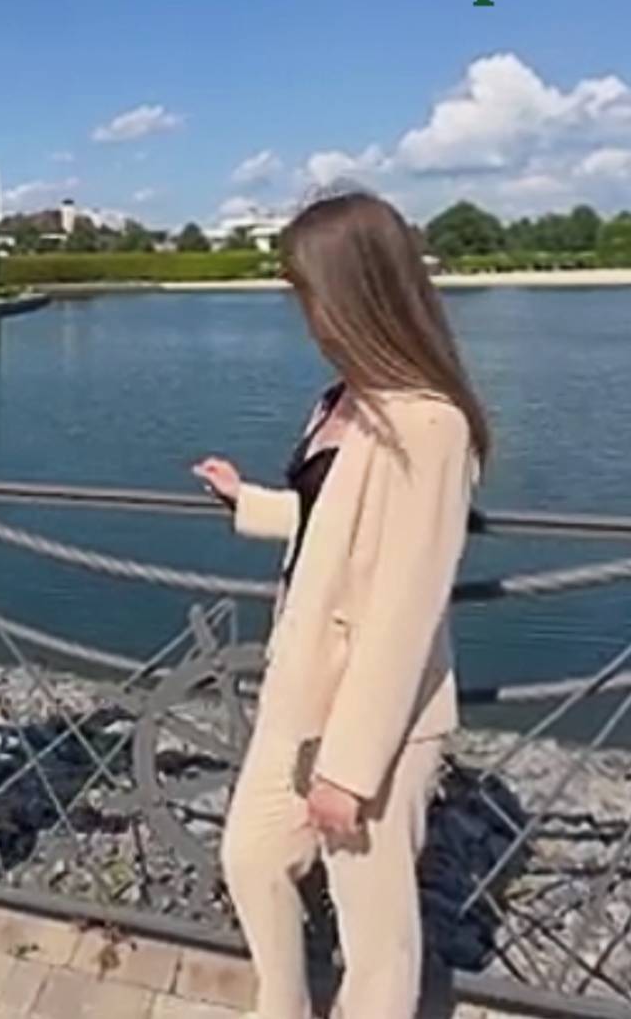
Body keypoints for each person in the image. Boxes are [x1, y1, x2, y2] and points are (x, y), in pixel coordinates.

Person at [191, 190, 488, 1019]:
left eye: (306, 291)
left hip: (375, 718)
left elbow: (404, 606)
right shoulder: (341, 398)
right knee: (252, 857)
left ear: (357, 292)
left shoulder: (429, 425)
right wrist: (247, 501)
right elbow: (333, 525)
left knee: (375, 935)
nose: (301, 311)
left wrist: (348, 772)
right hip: (300, 688)